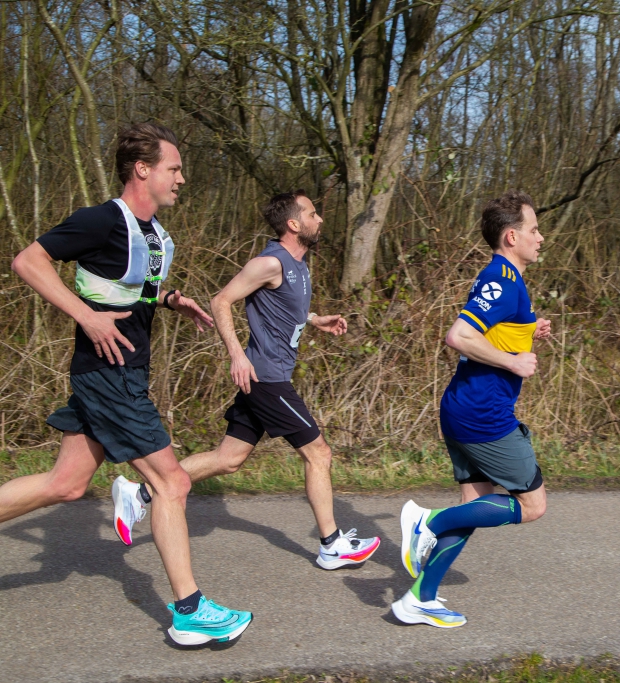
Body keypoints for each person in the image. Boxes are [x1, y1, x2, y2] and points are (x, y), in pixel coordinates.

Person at [0, 123, 252, 645]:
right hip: (108, 375)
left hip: (122, 371)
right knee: (172, 482)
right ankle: (189, 610)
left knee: (65, 485)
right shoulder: (100, 220)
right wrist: (86, 318)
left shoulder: (154, 234)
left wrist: (167, 300)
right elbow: (28, 261)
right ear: (143, 169)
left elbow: (119, 287)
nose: (182, 178)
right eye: (174, 168)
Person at [116, 190, 379, 569]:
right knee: (318, 452)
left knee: (228, 459)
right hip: (266, 378)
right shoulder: (270, 263)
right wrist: (237, 355)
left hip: (268, 375)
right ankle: (331, 544)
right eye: (312, 213)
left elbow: (285, 309)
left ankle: (138, 493)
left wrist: (315, 319)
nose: (319, 219)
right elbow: (221, 300)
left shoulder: (298, 265)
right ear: (293, 224)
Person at [392, 189, 552, 628]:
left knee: (477, 503)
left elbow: (491, 329)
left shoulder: (507, 279)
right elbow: (459, 336)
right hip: (484, 416)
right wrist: (514, 361)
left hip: (463, 408)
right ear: (511, 237)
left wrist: (528, 332)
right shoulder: (501, 280)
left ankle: (419, 599)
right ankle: (429, 522)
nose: (541, 237)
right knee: (533, 505)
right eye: (534, 230)